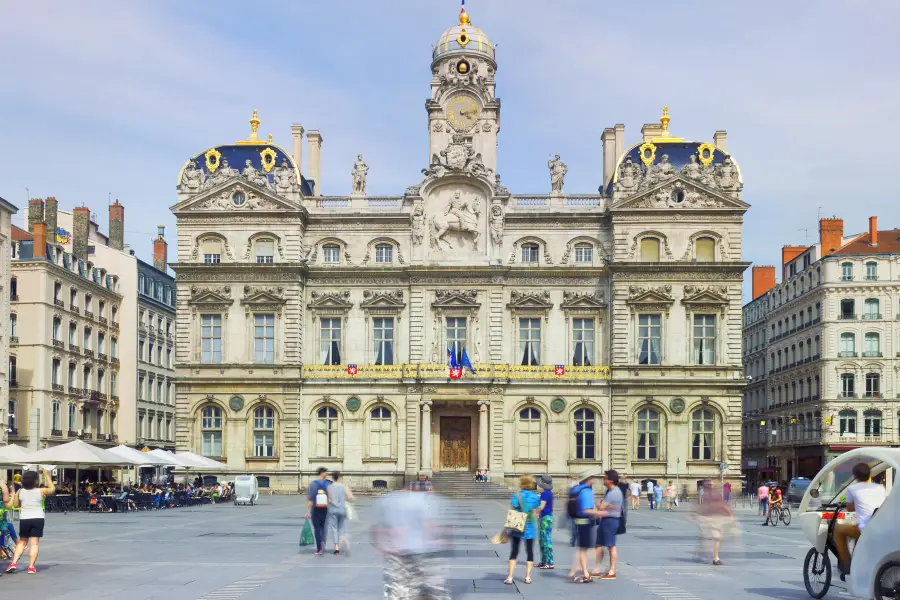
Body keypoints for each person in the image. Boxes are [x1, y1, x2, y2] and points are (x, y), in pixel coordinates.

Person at [372, 477, 449, 600]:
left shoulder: (387, 500)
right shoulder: (422, 500)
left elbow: (378, 527)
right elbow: (428, 525)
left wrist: (379, 545)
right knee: (422, 588)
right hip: (419, 550)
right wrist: (439, 540)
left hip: (395, 552)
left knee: (398, 588)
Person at [835, 462, 886, 576]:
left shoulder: (852, 488)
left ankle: (847, 564)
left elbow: (849, 508)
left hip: (864, 529)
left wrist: (856, 505)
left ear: (855, 476)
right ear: (870, 474)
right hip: (880, 527)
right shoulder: (880, 487)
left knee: (838, 529)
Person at [5, 468, 56, 574]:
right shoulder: (40, 491)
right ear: (35, 481)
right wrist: (47, 475)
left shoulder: (20, 491)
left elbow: (15, 505)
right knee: (34, 543)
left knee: (22, 541)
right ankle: (31, 567)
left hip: (24, 518)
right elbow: (52, 489)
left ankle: (13, 563)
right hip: (38, 518)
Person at [505, 475, 541, 585]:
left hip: (518, 526)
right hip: (529, 526)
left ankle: (510, 577)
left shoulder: (517, 495)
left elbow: (512, 510)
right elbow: (536, 512)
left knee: (514, 551)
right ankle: (528, 577)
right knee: (529, 551)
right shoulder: (535, 496)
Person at [568, 469, 600, 583]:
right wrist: (600, 513)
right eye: (592, 478)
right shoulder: (586, 491)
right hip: (586, 521)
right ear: (589, 479)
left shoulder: (576, 489)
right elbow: (586, 509)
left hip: (578, 520)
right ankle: (582, 573)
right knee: (585, 549)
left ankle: (578, 571)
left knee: (584, 548)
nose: (594, 480)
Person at [590, 470, 623, 580]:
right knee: (599, 544)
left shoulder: (613, 492)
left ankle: (612, 571)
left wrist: (601, 503)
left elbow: (601, 507)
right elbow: (604, 506)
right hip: (607, 520)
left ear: (610, 480)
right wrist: (603, 504)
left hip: (610, 520)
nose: (603, 479)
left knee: (611, 546)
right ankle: (597, 568)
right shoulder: (611, 491)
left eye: (605, 478)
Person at [695, 483, 734, 565]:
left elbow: (722, 505)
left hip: (717, 519)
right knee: (712, 538)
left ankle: (715, 558)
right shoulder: (704, 496)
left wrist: (729, 514)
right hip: (708, 519)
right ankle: (710, 554)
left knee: (716, 538)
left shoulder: (715, 494)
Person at [304, 467, 331, 555]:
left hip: (315, 509)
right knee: (323, 528)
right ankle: (323, 544)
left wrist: (307, 511)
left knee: (317, 528)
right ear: (322, 473)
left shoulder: (313, 484)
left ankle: (319, 548)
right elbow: (331, 498)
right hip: (325, 509)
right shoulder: (328, 484)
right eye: (326, 472)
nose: (327, 474)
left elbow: (310, 499)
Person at [327, 471, 354, 556]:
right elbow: (351, 497)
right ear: (339, 477)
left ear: (332, 478)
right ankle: (345, 540)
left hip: (333, 510)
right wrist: (344, 499)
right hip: (342, 509)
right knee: (341, 528)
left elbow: (329, 500)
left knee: (334, 528)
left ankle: (337, 548)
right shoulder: (344, 486)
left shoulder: (329, 487)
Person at [536, 475, 555, 570]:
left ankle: (549, 562)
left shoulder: (545, 494)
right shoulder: (549, 493)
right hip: (547, 517)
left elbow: (542, 506)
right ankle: (544, 561)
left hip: (545, 518)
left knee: (546, 539)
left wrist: (535, 511)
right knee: (543, 539)